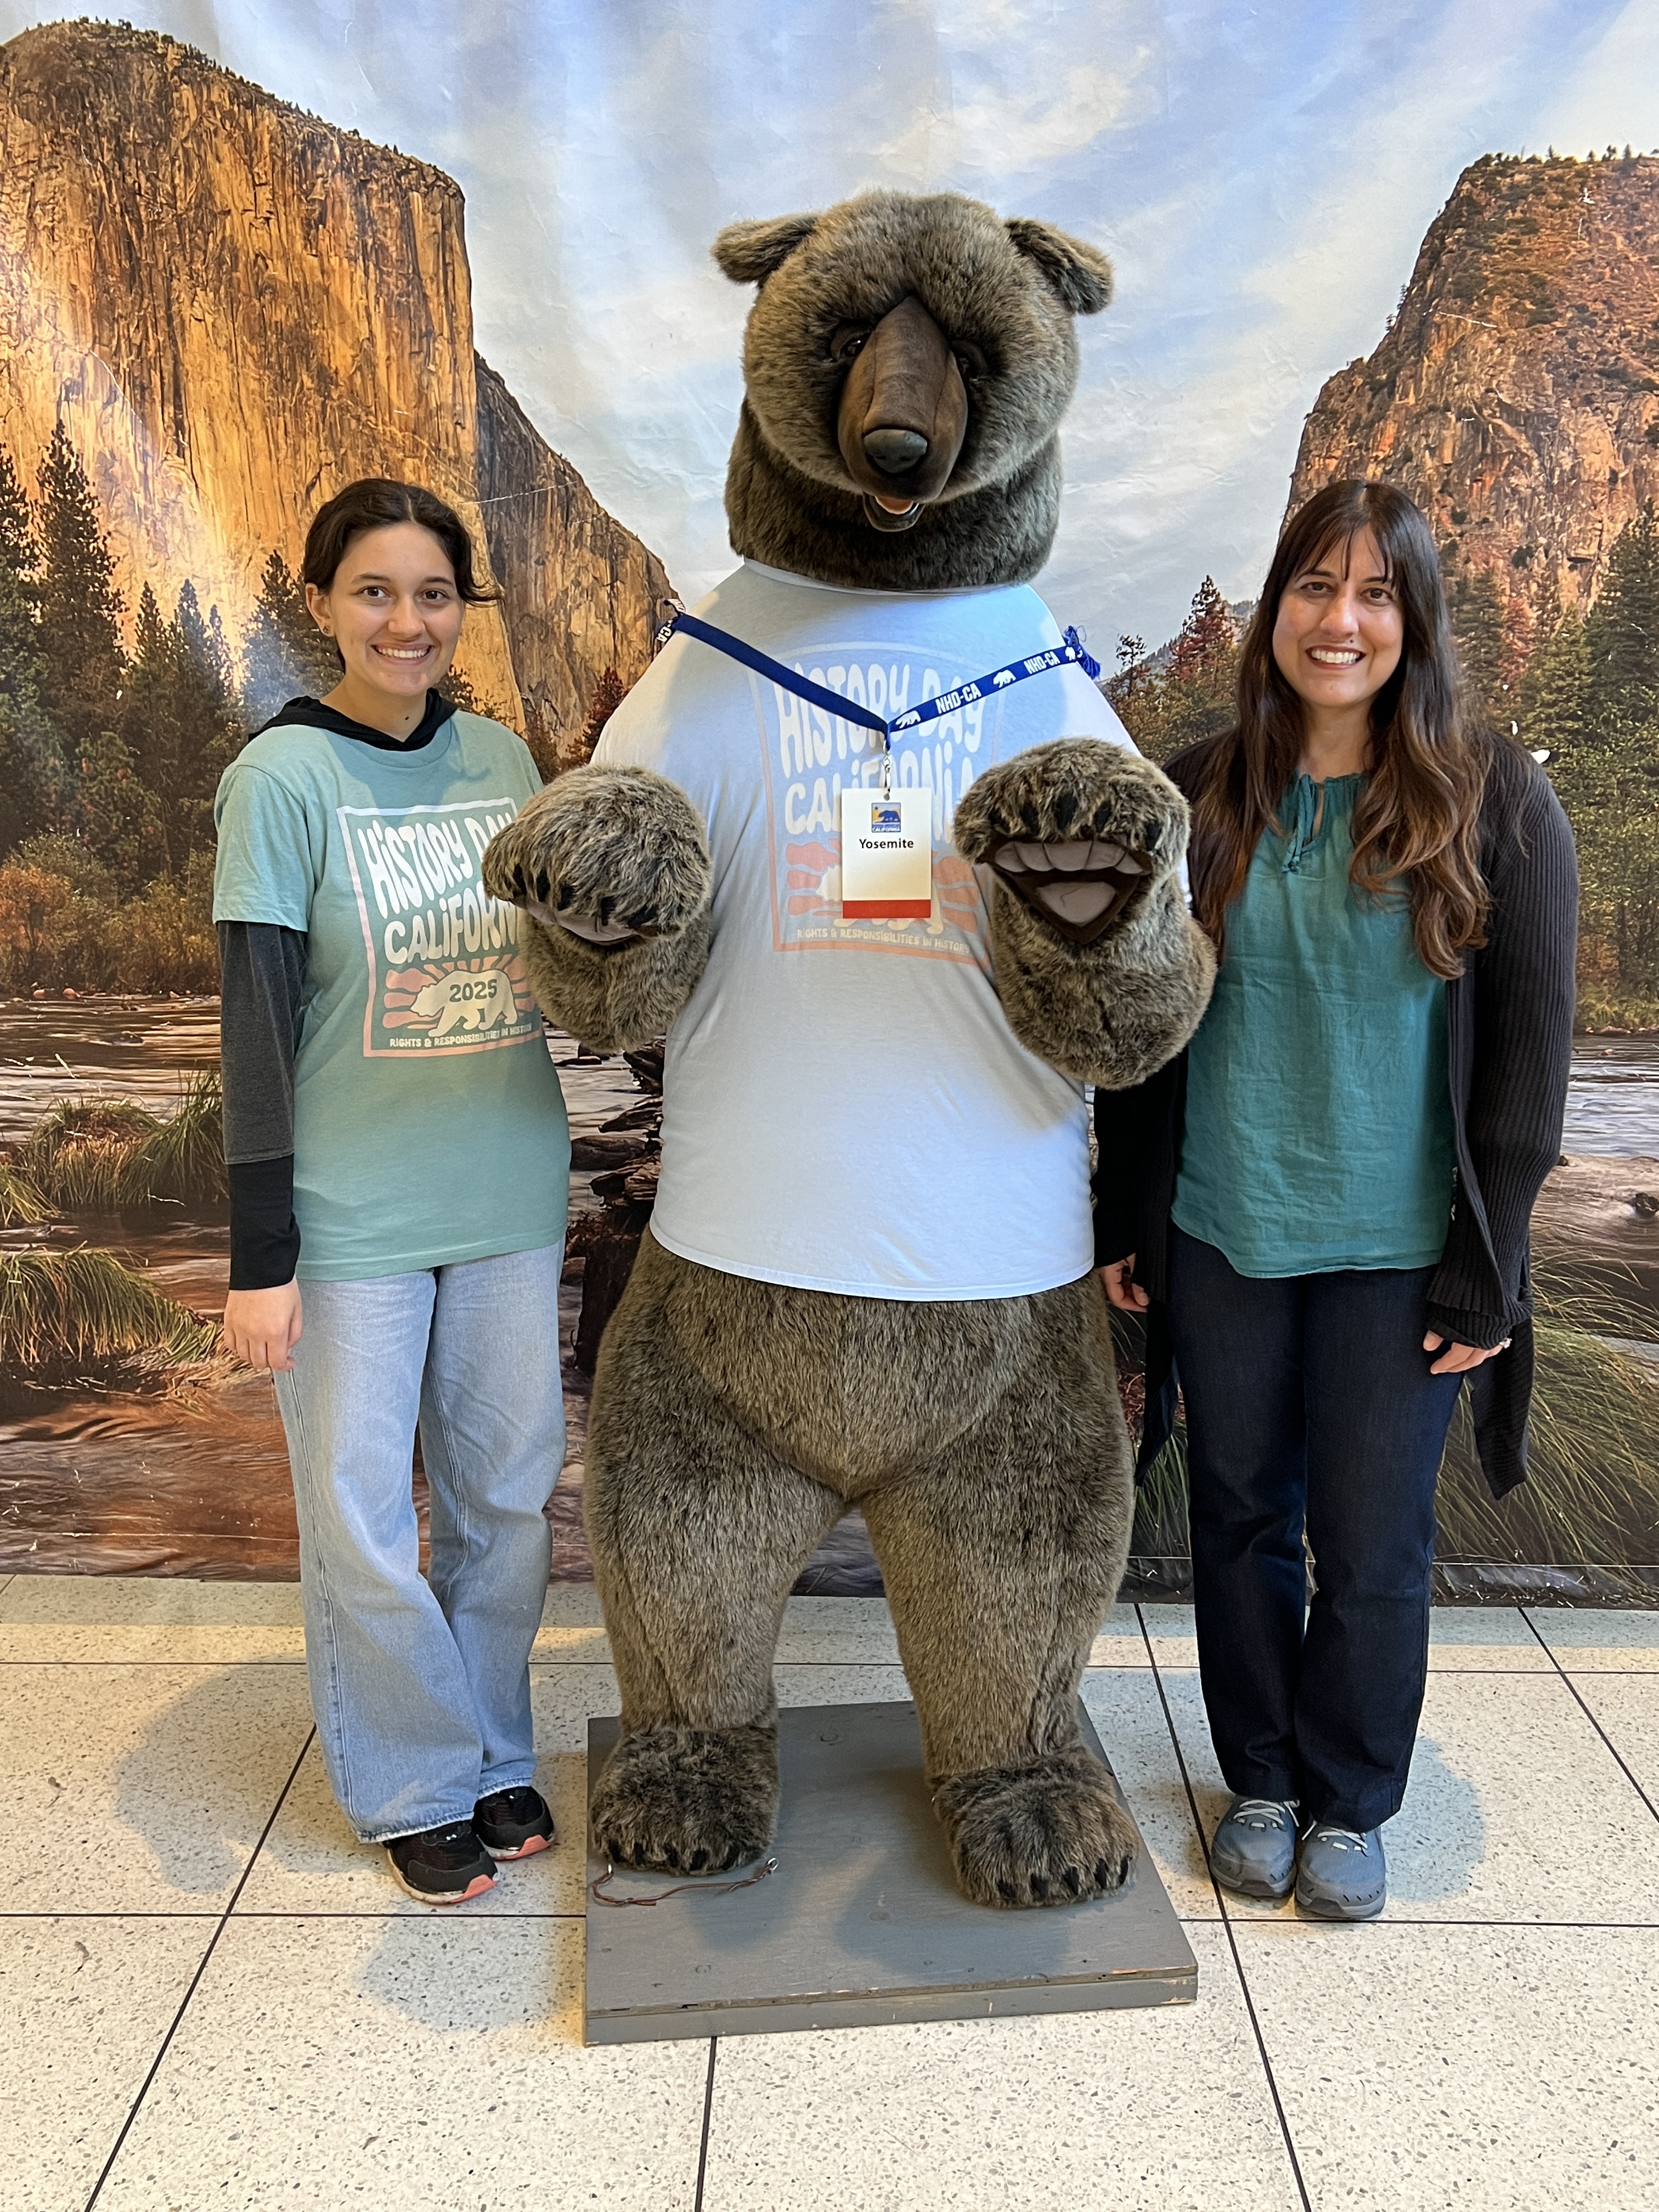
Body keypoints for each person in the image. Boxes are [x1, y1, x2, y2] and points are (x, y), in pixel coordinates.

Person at [1097, 479, 1577, 1920]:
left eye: (1376, 593)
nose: (1342, 620)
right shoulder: (1199, 791)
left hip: (1402, 1253)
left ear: (1413, 619)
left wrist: (1492, 1271)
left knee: (1373, 1546)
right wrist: (1126, 1217)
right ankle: (1259, 1778)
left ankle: (1352, 1799)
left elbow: (1530, 1061)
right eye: (1316, 586)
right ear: (1276, 609)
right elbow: (1141, 1027)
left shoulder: (1493, 797)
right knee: (1240, 1515)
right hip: (1223, 1227)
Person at [214, 479, 571, 1904]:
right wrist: (262, 1257)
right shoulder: (281, 780)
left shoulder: (503, 759)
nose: (406, 622)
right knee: (364, 1515)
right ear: (323, 604)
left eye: (433, 594)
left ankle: (491, 1754)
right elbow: (254, 1030)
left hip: (506, 1192)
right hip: (352, 1217)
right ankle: (416, 1783)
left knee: (504, 1502)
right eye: (375, 591)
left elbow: (563, 954)